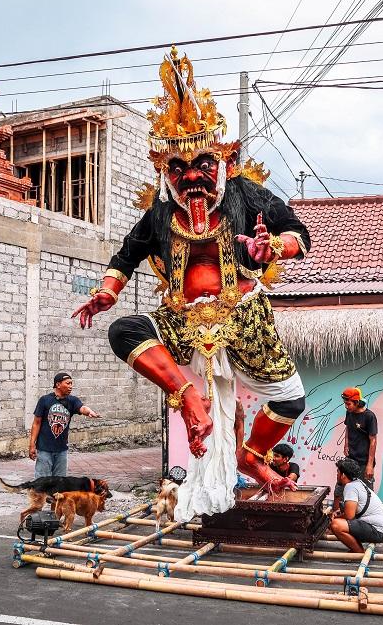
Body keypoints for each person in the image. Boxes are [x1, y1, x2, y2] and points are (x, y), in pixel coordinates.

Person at [72, 48, 310, 521]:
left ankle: (251, 454)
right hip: (182, 319)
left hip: (243, 316)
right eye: (177, 169)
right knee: (123, 332)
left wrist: (273, 248)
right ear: (166, 173)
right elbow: (126, 254)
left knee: (291, 399)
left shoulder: (246, 194)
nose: (192, 178)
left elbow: (300, 234)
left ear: (223, 161)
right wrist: (107, 291)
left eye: (202, 163)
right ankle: (190, 398)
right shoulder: (160, 212)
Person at [29, 372, 100, 478]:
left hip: (62, 449)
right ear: (58, 385)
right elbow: (36, 423)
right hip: (44, 448)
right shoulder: (45, 400)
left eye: (71, 383)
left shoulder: (72, 401)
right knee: (42, 482)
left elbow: (82, 408)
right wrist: (32, 444)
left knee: (60, 482)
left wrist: (89, 411)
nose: (71, 386)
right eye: (68, 383)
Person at [330, 458, 383, 553]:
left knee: (336, 525)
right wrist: (340, 513)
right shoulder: (357, 482)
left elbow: (350, 516)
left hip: (377, 531)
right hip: (378, 528)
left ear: (343, 475)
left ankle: (358, 552)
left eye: (338, 472)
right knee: (339, 521)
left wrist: (335, 518)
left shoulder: (350, 487)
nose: (337, 475)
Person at [342, 387, 378, 487]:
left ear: (357, 402)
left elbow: (373, 440)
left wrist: (370, 465)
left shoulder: (369, 416)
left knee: (366, 491)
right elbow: (348, 428)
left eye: (348, 404)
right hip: (350, 458)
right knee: (341, 489)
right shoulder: (349, 412)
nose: (346, 406)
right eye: (345, 403)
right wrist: (346, 445)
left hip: (364, 461)